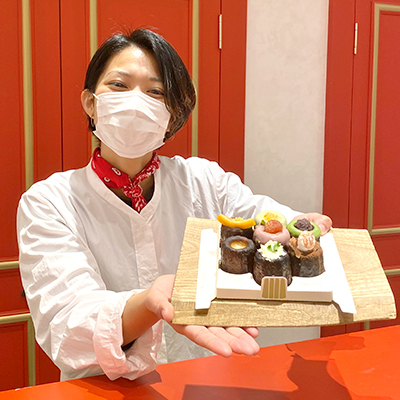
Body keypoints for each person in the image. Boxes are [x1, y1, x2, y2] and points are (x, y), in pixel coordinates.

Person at [17, 28, 332, 382]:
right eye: (119, 85)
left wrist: (297, 224)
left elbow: (257, 215)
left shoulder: (203, 180)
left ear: (170, 114)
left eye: (155, 92)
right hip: (103, 387)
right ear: (90, 103)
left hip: (204, 379)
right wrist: (147, 304)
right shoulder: (49, 202)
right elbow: (67, 321)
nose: (136, 102)